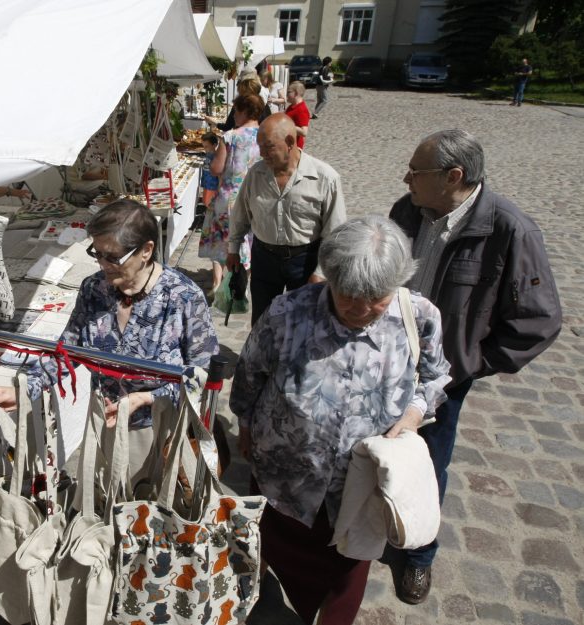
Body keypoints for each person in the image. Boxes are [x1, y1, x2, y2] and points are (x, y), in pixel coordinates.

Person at [231, 215, 452, 625]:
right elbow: (250, 371)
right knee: (262, 551)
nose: (362, 309)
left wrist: (415, 413)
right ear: (329, 276)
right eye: (349, 295)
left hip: (359, 491)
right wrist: (244, 424)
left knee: (346, 579)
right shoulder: (288, 312)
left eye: (376, 298)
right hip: (285, 478)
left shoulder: (418, 316)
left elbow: (438, 376)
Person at [389, 129, 561, 604]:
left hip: (444, 379)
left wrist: (473, 363)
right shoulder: (408, 209)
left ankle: (419, 557)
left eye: (416, 171)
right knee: (381, 451)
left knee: (429, 466)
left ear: (453, 177)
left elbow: (540, 320)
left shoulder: (509, 229)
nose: (406, 178)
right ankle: (379, 530)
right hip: (388, 362)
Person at [0, 199, 219, 482]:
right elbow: (67, 352)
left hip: (158, 430)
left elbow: (199, 377)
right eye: (98, 254)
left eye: (113, 257)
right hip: (105, 422)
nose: (103, 265)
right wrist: (25, 389)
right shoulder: (94, 289)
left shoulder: (184, 297)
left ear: (146, 250)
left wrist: (147, 398)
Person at [227, 113, 346, 324]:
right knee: (263, 321)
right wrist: (233, 249)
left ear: (290, 142)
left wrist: (321, 272)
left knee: (303, 324)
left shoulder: (325, 178)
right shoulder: (256, 174)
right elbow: (240, 215)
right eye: (260, 146)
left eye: (268, 147)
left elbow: (335, 234)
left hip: (304, 261)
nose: (262, 153)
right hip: (264, 258)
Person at [198, 94, 264, 297]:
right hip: (257, 196)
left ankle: (218, 282)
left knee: (223, 240)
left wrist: (212, 161)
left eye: (236, 111)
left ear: (245, 111)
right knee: (250, 241)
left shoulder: (231, 136)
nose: (233, 115)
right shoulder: (265, 135)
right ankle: (243, 284)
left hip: (230, 197)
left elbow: (217, 168)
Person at [284, 81, 310, 149]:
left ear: (296, 93)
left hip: (294, 147)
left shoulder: (301, 109)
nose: (286, 95)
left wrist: (287, 125)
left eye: (289, 92)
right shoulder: (291, 106)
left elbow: (304, 132)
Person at [200, 132, 220, 209]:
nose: (204, 149)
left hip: (212, 185)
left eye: (206, 146)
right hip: (207, 184)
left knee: (209, 204)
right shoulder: (208, 155)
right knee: (206, 202)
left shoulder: (216, 158)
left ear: (214, 145)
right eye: (203, 146)